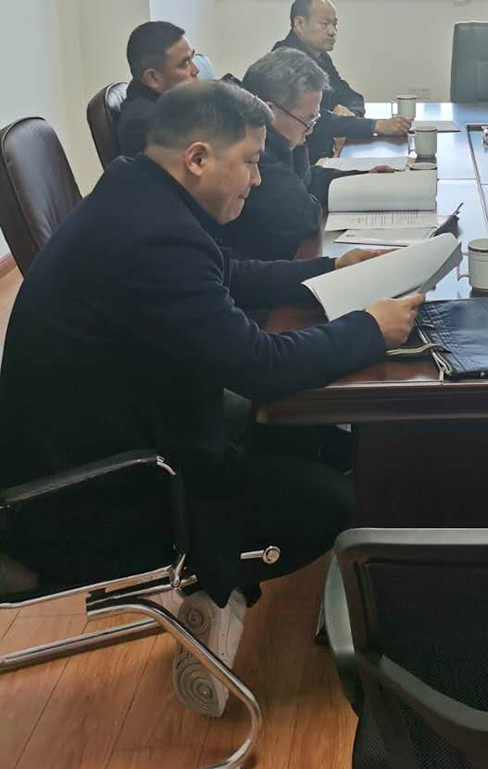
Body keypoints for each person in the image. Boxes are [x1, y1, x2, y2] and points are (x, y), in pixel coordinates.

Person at [0, 79, 422, 717]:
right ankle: (216, 587)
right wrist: (371, 328)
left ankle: (221, 587)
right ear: (197, 158)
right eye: (250, 161)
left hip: (119, 429)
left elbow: (230, 273)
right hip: (89, 497)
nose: (257, 178)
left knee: (319, 439)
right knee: (329, 503)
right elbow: (259, 366)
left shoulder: (137, 192)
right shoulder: (152, 239)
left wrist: (333, 269)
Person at [226, 48, 391, 262]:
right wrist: (305, 183)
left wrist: (361, 177)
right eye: (308, 120)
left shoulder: (278, 138)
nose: (311, 130)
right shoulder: (255, 156)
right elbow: (303, 217)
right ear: (270, 111)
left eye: (315, 120)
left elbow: (309, 180)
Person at [273, 0, 410, 160]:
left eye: (335, 24)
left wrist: (349, 114)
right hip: (299, 160)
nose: (332, 32)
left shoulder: (321, 57)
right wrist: (377, 125)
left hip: (324, 154)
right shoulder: (285, 62)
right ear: (299, 24)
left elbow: (351, 96)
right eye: (325, 24)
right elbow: (312, 119)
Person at [117, 20, 200, 156]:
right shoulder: (145, 125)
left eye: (192, 58)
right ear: (153, 77)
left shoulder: (171, 102)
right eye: (185, 63)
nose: (196, 70)